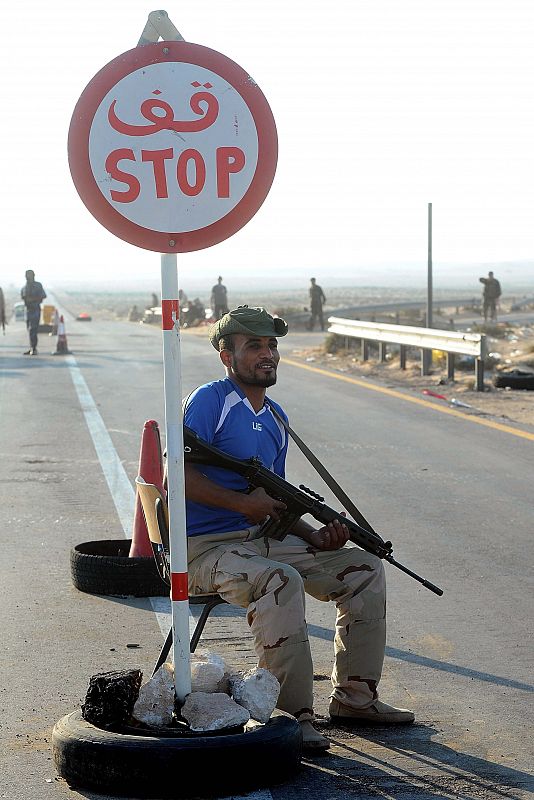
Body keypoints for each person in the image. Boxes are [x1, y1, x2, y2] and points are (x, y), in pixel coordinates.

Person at [183, 306, 414, 753]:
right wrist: (241, 504)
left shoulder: (275, 416)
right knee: (278, 580)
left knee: (363, 567)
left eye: (271, 345)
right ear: (225, 354)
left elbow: (277, 505)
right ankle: (291, 716)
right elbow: (181, 478)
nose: (267, 354)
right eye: (254, 346)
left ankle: (355, 699)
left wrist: (314, 536)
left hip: (260, 541)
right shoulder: (210, 401)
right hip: (203, 549)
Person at [21, 269, 46, 355]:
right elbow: (23, 297)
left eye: (29, 275)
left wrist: (34, 299)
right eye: (26, 275)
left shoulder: (38, 286)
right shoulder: (25, 287)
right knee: (30, 329)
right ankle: (32, 347)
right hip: (28, 310)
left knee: (33, 329)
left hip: (35, 309)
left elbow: (43, 296)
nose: (27, 277)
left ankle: (34, 348)